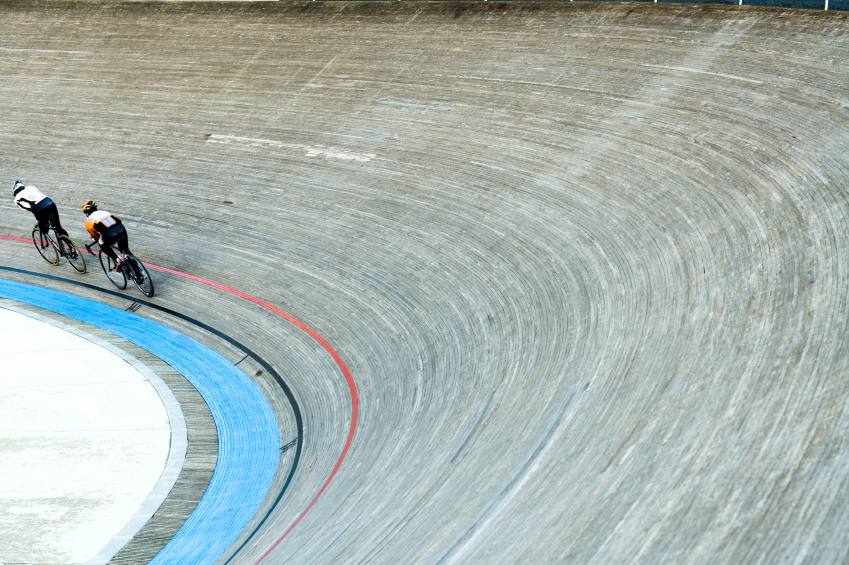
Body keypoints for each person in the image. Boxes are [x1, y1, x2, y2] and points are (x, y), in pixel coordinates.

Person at [82, 200, 131, 270]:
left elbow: (96, 236)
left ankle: (117, 259)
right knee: (126, 251)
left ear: (87, 213)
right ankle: (138, 273)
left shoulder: (88, 221)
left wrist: (96, 237)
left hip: (110, 235)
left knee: (101, 243)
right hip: (122, 229)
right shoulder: (104, 212)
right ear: (96, 208)